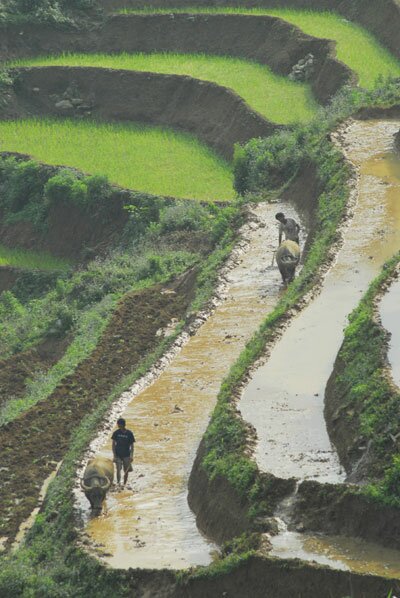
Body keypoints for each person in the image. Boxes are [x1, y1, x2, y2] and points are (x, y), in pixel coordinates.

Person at [111, 417, 135, 486]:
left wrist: (131, 455)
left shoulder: (129, 433)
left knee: (126, 471)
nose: (119, 426)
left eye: (120, 425)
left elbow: (132, 445)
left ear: (123, 425)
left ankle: (124, 484)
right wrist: (114, 455)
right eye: (118, 425)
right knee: (118, 469)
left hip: (127, 455)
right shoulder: (116, 433)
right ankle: (118, 483)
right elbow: (113, 444)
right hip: (118, 454)